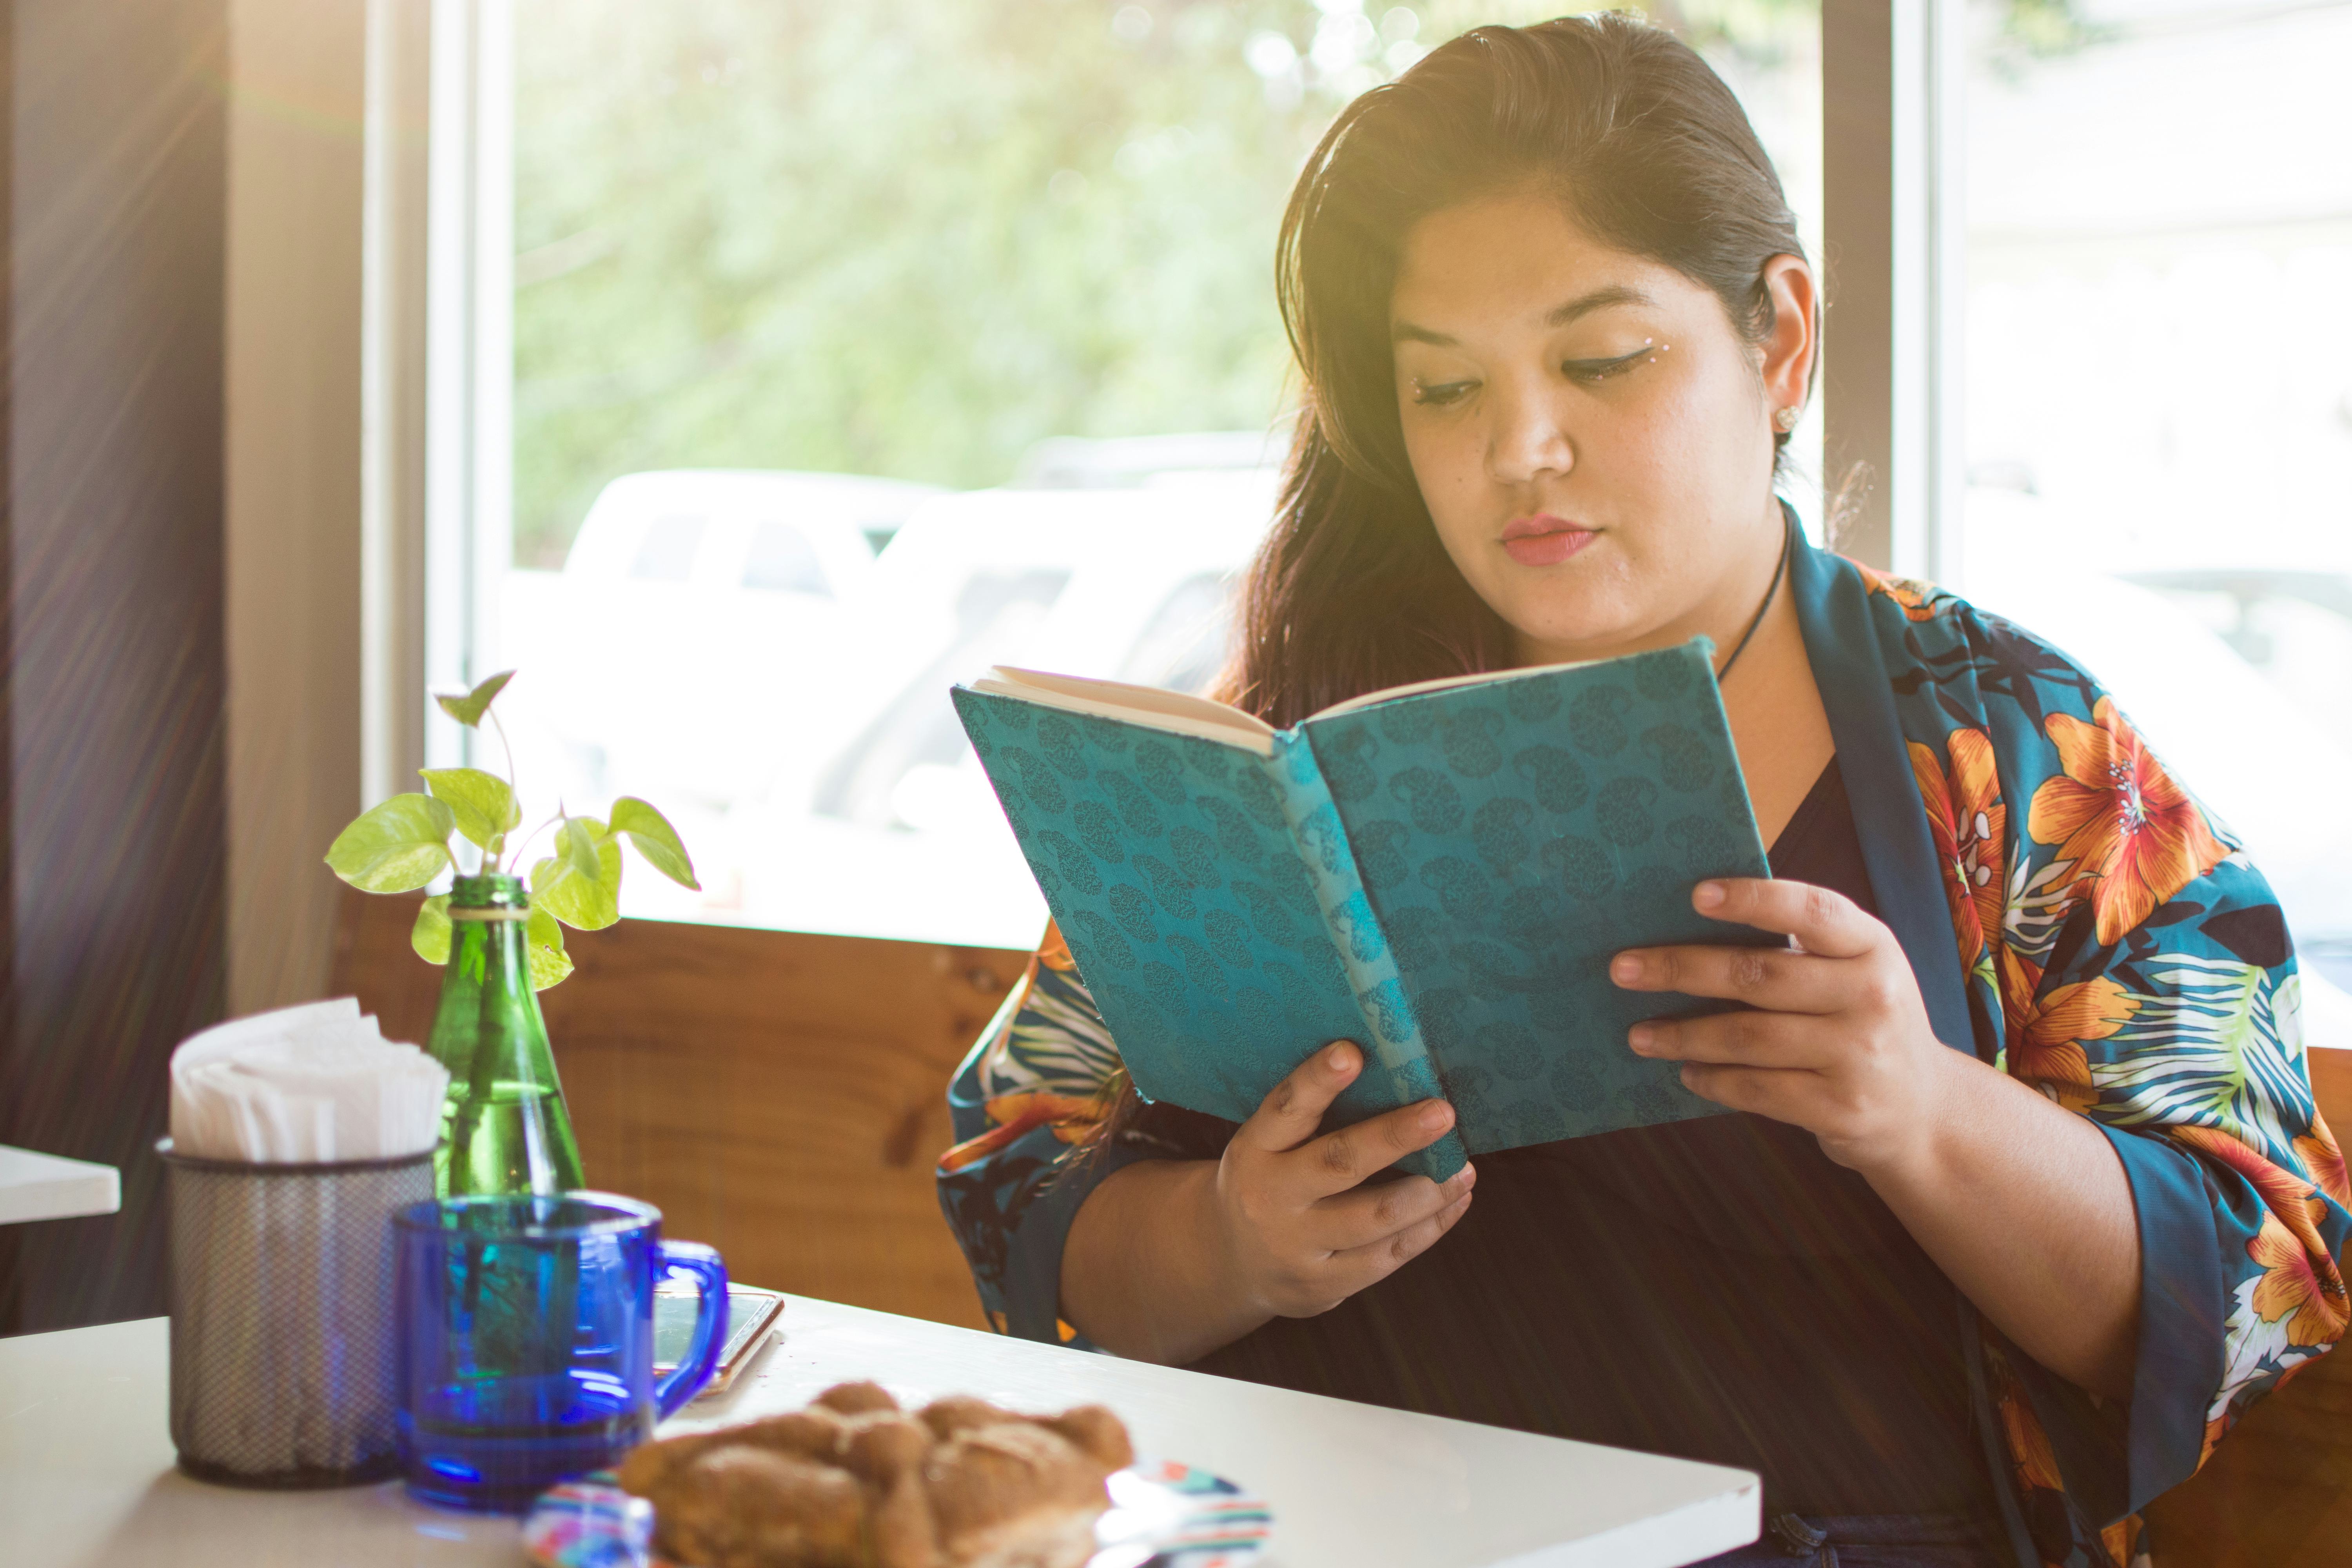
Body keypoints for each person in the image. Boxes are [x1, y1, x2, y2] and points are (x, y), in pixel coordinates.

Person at [935, 16, 2347, 1568]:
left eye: (1605, 360)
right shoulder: (1286, 754)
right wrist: (1233, 1242)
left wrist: (1926, 1110)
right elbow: (1019, 1170)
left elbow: (2258, 1286)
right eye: (1447, 391)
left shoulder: (2013, 739)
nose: (1522, 447)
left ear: (1783, 337)